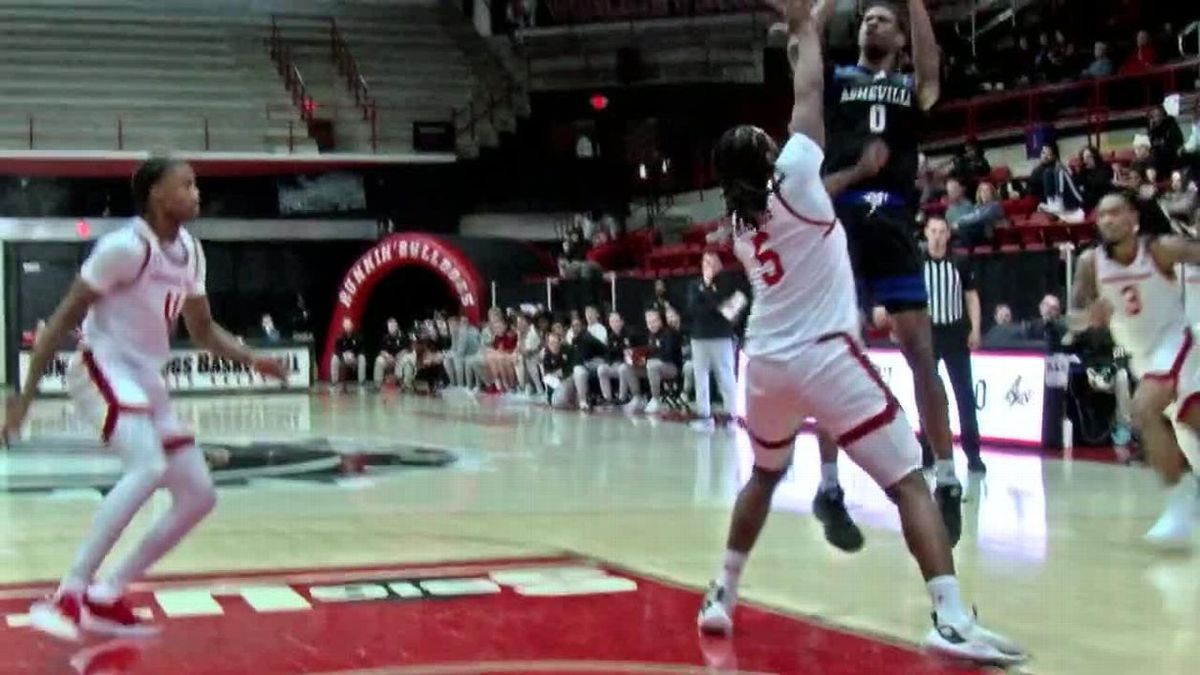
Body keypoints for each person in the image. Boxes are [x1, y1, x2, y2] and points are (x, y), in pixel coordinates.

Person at [698, 1, 1024, 663]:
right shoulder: (798, 178)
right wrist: (802, 28)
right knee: (909, 480)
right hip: (823, 356)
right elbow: (811, 90)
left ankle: (721, 593)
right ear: (768, 155)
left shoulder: (739, 225)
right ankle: (951, 615)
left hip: (763, 363)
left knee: (762, 476)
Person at [2, 157, 286, 641]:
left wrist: (251, 357)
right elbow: (63, 318)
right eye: (187, 184)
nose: (197, 193)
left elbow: (202, 330)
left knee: (199, 495)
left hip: (147, 380)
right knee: (147, 467)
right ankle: (68, 595)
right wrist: (22, 398)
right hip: (101, 366)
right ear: (157, 194)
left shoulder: (191, 253)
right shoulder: (123, 248)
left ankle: (106, 595)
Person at [816, 0, 965, 548]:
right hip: (841, 218)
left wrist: (917, 6)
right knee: (835, 355)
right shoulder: (835, 79)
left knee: (921, 353)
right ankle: (830, 488)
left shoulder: (909, 85)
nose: (870, 23)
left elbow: (930, 75)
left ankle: (947, 478)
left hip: (895, 220)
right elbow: (804, 45)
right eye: (865, 19)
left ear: (901, 38)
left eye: (883, 19)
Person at [1070, 190, 1200, 548]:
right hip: (1142, 356)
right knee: (1190, 421)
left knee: (1142, 408)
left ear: (1133, 218)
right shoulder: (1090, 263)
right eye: (1101, 215)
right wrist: (1086, 318)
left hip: (1177, 342)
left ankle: (1179, 503)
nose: (1107, 220)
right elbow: (1073, 316)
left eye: (1115, 212)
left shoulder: (1160, 250)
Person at [922, 217, 985, 472]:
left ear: (948, 235)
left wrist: (976, 329)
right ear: (926, 233)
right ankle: (927, 452)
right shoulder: (917, 263)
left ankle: (973, 453)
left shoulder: (960, 261)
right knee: (927, 396)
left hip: (955, 333)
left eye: (941, 231)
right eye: (933, 231)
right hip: (928, 334)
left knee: (964, 395)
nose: (937, 236)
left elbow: (972, 298)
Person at [687, 251, 746, 432]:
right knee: (701, 377)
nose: (708, 266)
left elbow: (728, 310)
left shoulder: (728, 284)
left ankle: (731, 416)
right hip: (699, 337)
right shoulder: (694, 284)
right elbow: (693, 308)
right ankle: (704, 416)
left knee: (726, 375)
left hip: (721, 336)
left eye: (712, 262)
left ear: (719, 265)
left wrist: (708, 297)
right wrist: (709, 294)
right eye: (705, 262)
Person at [621, 308, 682, 415]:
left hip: (672, 367)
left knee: (652, 365)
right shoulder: (650, 335)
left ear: (660, 320)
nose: (651, 325)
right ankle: (637, 397)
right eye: (649, 322)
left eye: (654, 321)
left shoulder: (669, 333)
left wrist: (647, 359)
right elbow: (647, 350)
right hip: (653, 366)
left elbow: (667, 355)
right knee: (626, 367)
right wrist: (637, 357)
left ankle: (655, 399)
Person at [330, 318, 365, 388]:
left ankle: (362, 382)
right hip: (343, 358)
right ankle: (334, 382)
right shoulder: (340, 337)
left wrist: (354, 354)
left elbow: (362, 349)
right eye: (346, 325)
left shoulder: (357, 336)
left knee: (362, 358)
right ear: (344, 327)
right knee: (334, 358)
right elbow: (337, 350)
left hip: (354, 358)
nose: (348, 327)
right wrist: (343, 355)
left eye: (349, 325)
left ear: (352, 326)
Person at [373, 318, 407, 386]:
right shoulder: (385, 337)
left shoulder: (402, 336)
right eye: (389, 326)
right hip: (388, 360)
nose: (391, 328)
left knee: (404, 359)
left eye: (393, 326)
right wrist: (387, 356)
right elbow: (381, 350)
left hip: (399, 359)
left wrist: (398, 357)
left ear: (396, 326)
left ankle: (402, 382)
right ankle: (377, 384)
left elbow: (406, 350)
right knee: (379, 360)